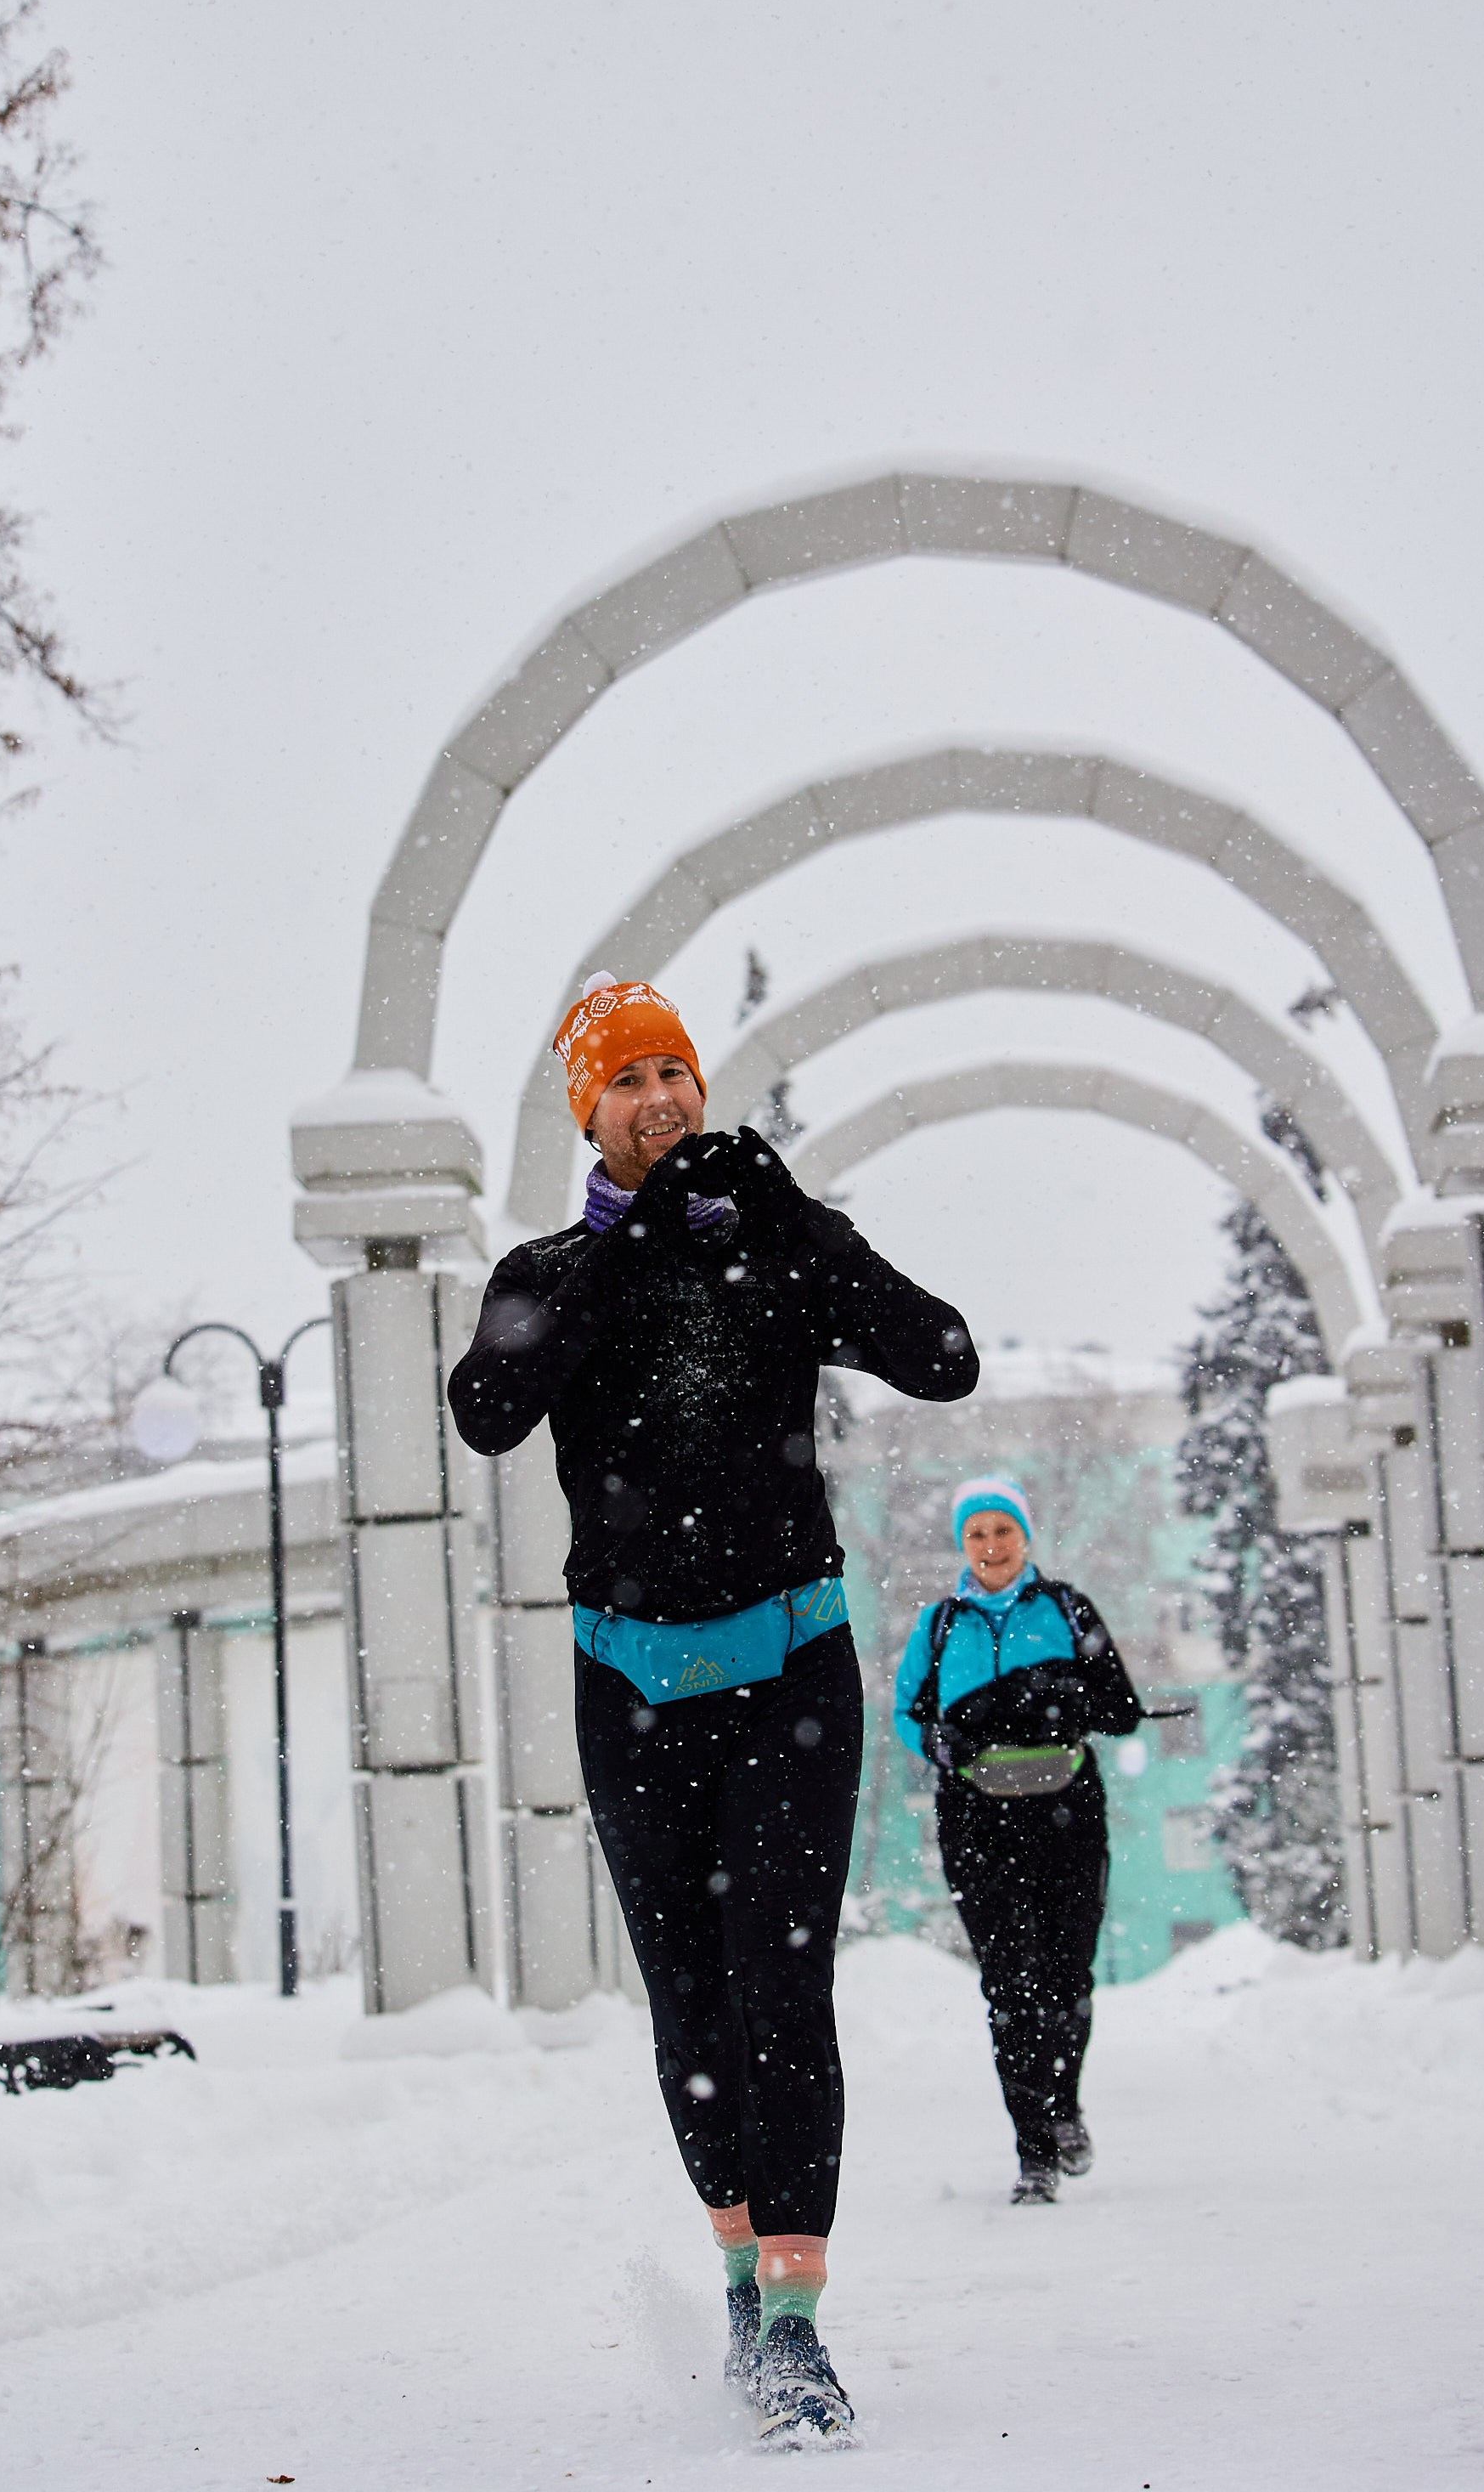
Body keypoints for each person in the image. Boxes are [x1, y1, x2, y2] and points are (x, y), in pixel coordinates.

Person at [448, 973, 979, 2444]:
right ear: (588, 1113)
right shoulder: (547, 1270)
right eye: (626, 1081)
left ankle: (800, 2326)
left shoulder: (775, 1242)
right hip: (632, 1691)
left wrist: (797, 1224)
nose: (661, 1098)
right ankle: (742, 2279)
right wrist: (630, 1251)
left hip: (793, 1675)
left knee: (781, 1985)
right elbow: (489, 1408)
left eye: (675, 1069)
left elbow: (944, 1357)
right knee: (689, 1997)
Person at [893, 1474, 1142, 2205]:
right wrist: (948, 1743)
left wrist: (1052, 1695)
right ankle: (1033, 2150)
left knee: (1067, 1975)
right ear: (962, 1545)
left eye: (1002, 1531)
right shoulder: (940, 1624)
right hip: (976, 1821)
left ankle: (1064, 2108)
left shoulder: (1067, 1610)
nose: (991, 1546)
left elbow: (1119, 1707)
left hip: (1069, 1813)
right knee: (1008, 1985)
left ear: (1024, 1537)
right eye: (977, 1534)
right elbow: (911, 1714)